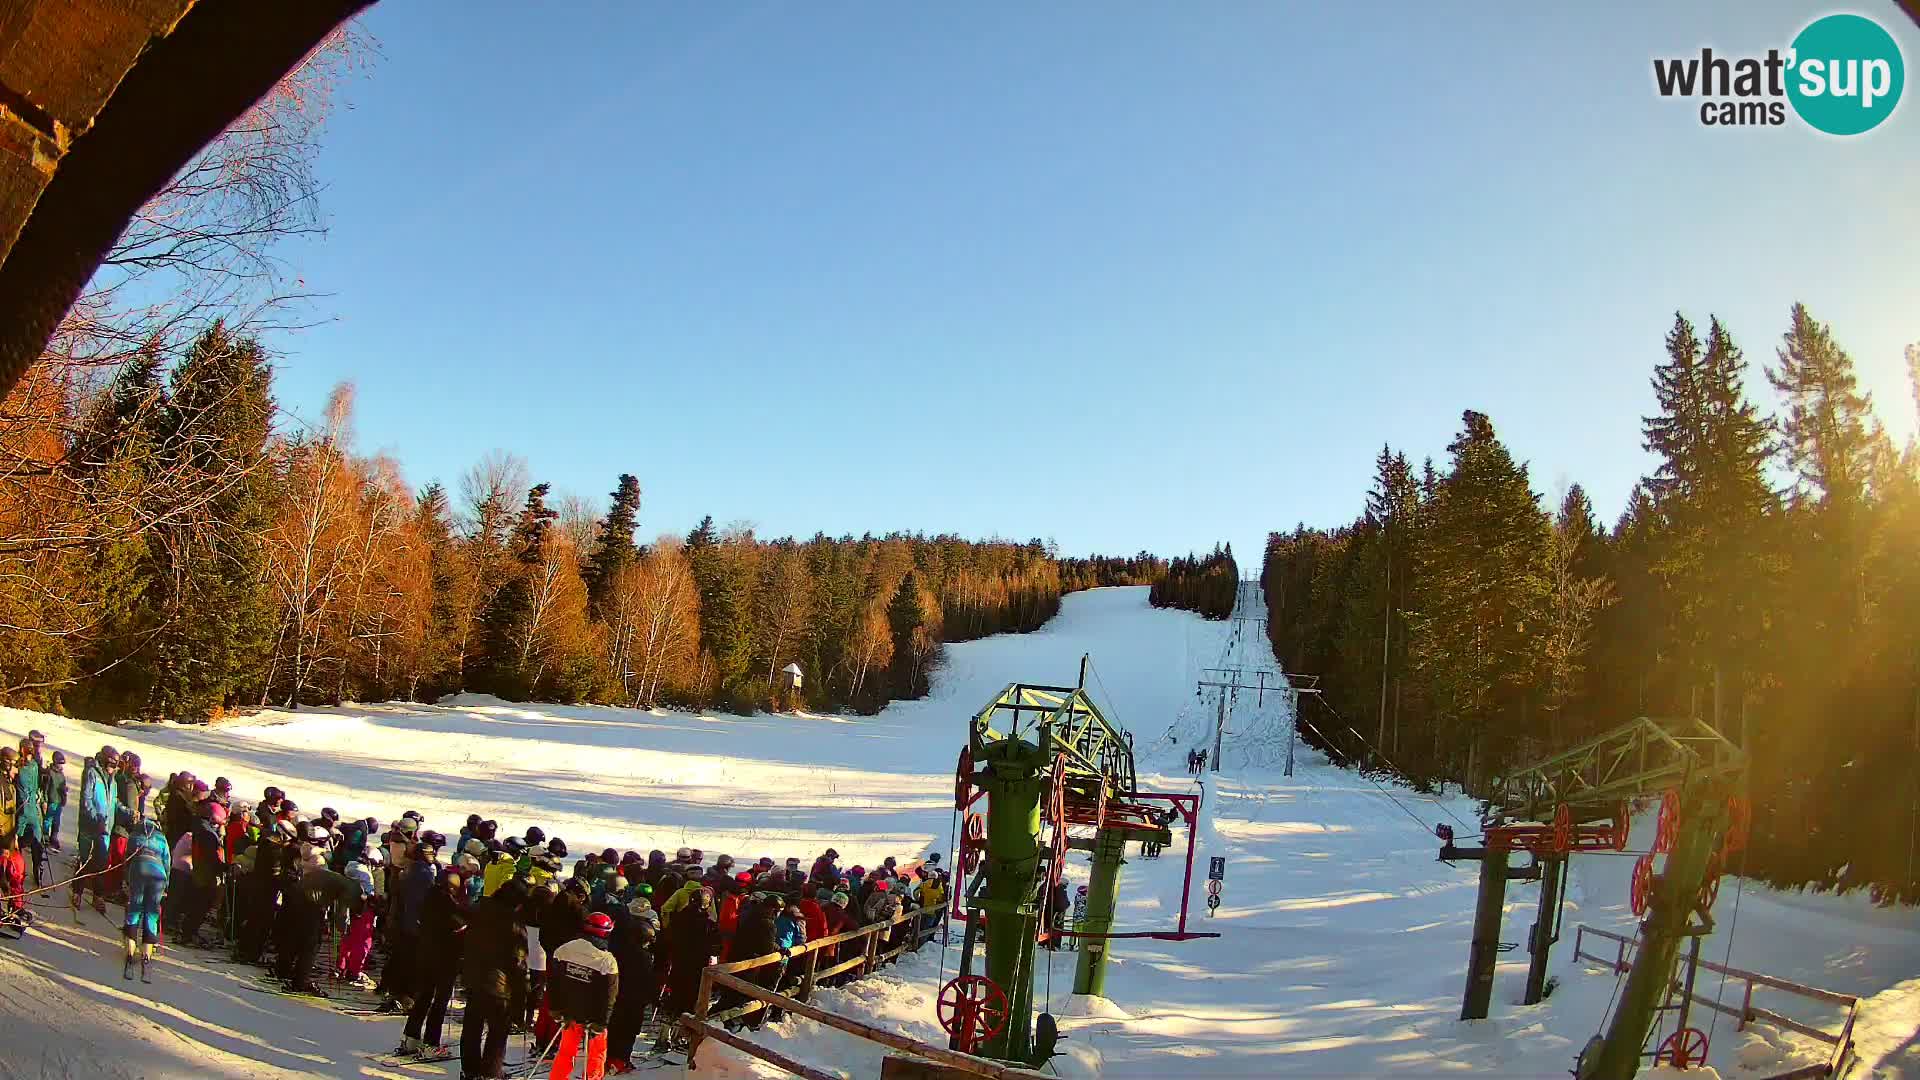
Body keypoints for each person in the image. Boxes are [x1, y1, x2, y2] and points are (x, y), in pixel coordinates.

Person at [463, 879, 530, 1080]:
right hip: (499, 984)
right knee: (498, 1031)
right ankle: (490, 1072)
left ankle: (470, 1070)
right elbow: (518, 960)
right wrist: (523, 990)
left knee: (472, 1027)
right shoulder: (513, 922)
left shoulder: (479, 908)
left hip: (473, 975)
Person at [399, 865, 469, 1058]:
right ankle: (431, 1043)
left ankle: (410, 1038)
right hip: (444, 958)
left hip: (425, 954)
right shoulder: (448, 903)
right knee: (439, 1001)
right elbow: (461, 924)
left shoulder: (429, 896)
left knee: (423, 997)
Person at [549, 911, 619, 1080]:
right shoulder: (606, 961)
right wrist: (602, 1022)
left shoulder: (564, 950)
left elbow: (554, 983)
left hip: (570, 1013)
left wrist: (556, 1008)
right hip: (593, 1018)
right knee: (596, 1055)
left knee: (565, 1052)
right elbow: (609, 996)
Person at [655, 887, 720, 1051]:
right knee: (689, 1002)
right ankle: (680, 1037)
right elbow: (716, 948)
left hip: (677, 965)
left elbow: (667, 939)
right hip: (696, 969)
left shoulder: (678, 918)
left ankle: (664, 1036)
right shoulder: (708, 925)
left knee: (673, 999)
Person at [605, 906, 657, 1073]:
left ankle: (610, 1057)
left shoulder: (618, 949)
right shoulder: (644, 957)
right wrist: (652, 996)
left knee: (614, 1028)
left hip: (618, 997)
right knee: (628, 1031)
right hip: (634, 1000)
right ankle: (621, 1060)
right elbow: (647, 980)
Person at [122, 816, 172, 982]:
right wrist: (166, 886)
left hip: (138, 869)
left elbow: (127, 860)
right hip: (158, 873)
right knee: (151, 913)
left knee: (135, 908)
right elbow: (167, 863)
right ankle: (147, 955)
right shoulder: (162, 839)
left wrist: (126, 880)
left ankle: (130, 951)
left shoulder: (134, 836)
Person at [71, 746, 117, 918]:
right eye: (111, 763)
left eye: (115, 764)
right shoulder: (92, 773)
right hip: (90, 827)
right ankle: (77, 892)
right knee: (85, 860)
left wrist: (127, 813)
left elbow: (113, 803)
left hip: (105, 828)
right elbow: (86, 799)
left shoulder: (113, 780)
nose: (113, 767)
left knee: (102, 864)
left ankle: (98, 896)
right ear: (104, 761)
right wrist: (95, 818)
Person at [13, 739, 46, 886]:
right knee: (36, 840)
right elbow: (37, 786)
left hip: (23, 808)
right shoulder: (34, 766)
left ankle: (17, 870)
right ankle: (37, 869)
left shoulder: (21, 768)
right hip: (33, 808)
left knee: (18, 841)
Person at [42, 750, 67, 853]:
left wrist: (64, 796)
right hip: (51, 801)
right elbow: (46, 789)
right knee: (48, 820)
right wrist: (45, 801)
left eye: (62, 764)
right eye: (60, 763)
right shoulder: (50, 773)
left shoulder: (61, 775)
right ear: (55, 762)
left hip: (59, 801)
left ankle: (54, 838)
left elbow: (63, 787)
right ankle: (45, 837)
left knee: (57, 822)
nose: (61, 766)